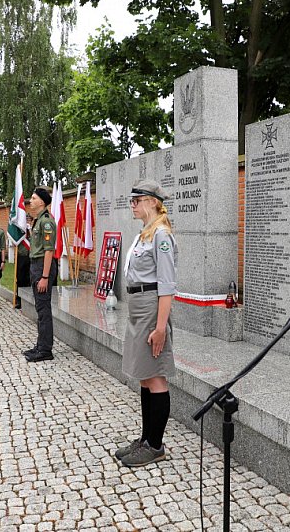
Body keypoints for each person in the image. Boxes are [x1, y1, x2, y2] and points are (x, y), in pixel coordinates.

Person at [115, 179, 177, 467]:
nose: (133, 205)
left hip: (152, 308)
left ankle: (155, 444)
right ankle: (145, 438)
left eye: (137, 200)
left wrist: (160, 327)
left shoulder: (161, 235)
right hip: (138, 307)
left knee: (156, 376)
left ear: (152, 201)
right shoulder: (145, 234)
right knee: (144, 373)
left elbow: (166, 285)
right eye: (132, 200)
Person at [23, 187, 58, 363]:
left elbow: (48, 251)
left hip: (43, 267)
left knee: (44, 309)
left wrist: (44, 277)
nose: (31, 200)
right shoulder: (38, 220)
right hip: (35, 266)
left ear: (42, 202)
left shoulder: (46, 222)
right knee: (40, 308)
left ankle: (45, 350)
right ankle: (40, 344)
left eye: (34, 198)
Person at [13, 208, 32, 309]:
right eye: (26, 220)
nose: (28, 221)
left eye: (29, 220)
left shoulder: (34, 230)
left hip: (31, 258)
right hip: (21, 256)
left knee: (30, 279)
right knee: (20, 279)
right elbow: (14, 242)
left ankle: (29, 300)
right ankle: (19, 300)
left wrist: (30, 231)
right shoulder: (20, 231)